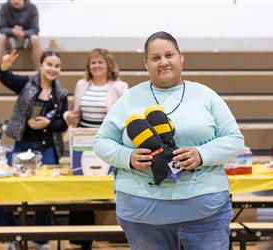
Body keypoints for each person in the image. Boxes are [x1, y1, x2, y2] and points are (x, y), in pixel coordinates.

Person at [94, 31, 245, 250]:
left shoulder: (206, 95)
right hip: (144, 217)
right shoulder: (128, 99)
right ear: (146, 63)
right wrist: (128, 156)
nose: (163, 62)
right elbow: (102, 141)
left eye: (169, 55)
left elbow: (234, 139)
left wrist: (201, 154)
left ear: (181, 57)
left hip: (205, 214)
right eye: (155, 58)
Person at [0, 49, 68, 250]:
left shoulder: (61, 94)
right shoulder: (26, 84)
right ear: (41, 65)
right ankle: (8, 238)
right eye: (49, 64)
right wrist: (5, 64)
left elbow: (63, 125)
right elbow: (4, 76)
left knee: (44, 194)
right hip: (22, 147)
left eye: (57, 66)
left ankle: (40, 240)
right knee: (5, 191)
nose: (53, 69)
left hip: (48, 149)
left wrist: (47, 123)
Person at [64, 48, 128, 250]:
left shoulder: (119, 86)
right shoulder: (81, 84)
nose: (97, 66)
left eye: (101, 62)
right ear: (88, 67)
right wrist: (69, 117)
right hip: (82, 141)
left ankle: (119, 234)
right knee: (82, 190)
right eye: (93, 63)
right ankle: (82, 242)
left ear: (108, 65)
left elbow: (125, 114)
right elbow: (74, 113)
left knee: (106, 188)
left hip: (107, 141)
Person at [0, 0, 42, 70]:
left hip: (27, 39)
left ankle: (39, 71)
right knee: (1, 38)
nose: (16, 1)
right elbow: (2, 28)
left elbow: (35, 29)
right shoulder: (4, 7)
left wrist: (24, 33)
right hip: (10, 39)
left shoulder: (32, 8)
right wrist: (12, 31)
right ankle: (1, 70)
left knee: (36, 39)